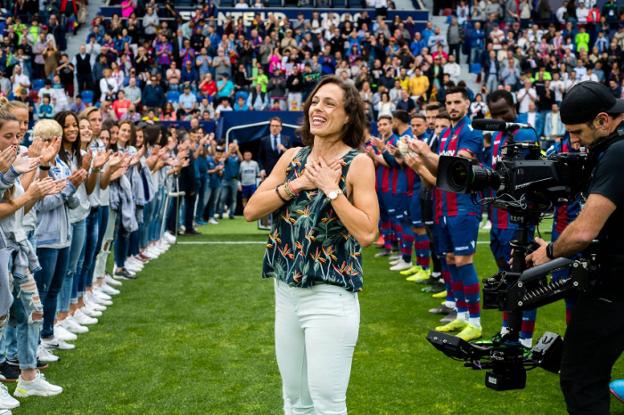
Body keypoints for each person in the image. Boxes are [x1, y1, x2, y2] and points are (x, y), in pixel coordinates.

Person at [243, 75, 379, 415]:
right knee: (295, 399)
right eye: (315, 102)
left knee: (327, 402)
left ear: (349, 116)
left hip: (330, 297)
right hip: (286, 292)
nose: (318, 109)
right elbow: (251, 210)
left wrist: (331, 190)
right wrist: (298, 184)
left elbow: (367, 232)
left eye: (329, 103)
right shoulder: (291, 158)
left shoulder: (358, 163)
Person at [525, 81, 624, 415]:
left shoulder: (618, 152)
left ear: (603, 120)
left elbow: (584, 232)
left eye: (578, 131)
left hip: (613, 289)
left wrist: (549, 252)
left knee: (581, 379)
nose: (574, 141)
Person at [407, 86, 484, 341]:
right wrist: (420, 159)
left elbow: (458, 167)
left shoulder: (470, 133)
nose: (452, 106)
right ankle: (461, 316)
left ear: (468, 104)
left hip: (463, 206)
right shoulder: (448, 134)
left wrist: (425, 154)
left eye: (457, 102)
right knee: (450, 259)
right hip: (443, 203)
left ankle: (475, 321)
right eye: (448, 102)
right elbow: (437, 170)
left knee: (463, 261)